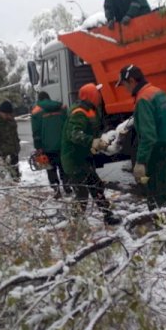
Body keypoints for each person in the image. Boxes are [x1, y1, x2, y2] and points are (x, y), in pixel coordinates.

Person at [115, 64, 166, 233]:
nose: (124, 89)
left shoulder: (143, 99)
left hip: (158, 154)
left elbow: (148, 135)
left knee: (156, 196)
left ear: (131, 80)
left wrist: (140, 161)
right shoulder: (158, 92)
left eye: (124, 84)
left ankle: (164, 235)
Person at [61, 83, 120, 225]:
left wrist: (102, 141)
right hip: (73, 159)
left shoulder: (92, 110)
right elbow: (74, 134)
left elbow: (95, 130)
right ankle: (76, 221)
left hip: (84, 157)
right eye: (97, 93)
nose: (99, 96)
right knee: (82, 193)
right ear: (91, 96)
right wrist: (91, 141)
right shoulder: (79, 112)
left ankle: (107, 215)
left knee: (96, 185)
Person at [32, 91, 71, 199]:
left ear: (39, 100)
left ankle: (56, 189)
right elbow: (68, 124)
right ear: (49, 98)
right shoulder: (61, 107)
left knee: (50, 168)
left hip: (47, 147)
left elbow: (36, 132)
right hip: (62, 144)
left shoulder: (36, 112)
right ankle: (67, 185)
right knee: (63, 165)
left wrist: (38, 147)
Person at [0, 100, 21, 182]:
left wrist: (17, 147)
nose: (8, 116)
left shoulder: (11, 120)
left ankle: (16, 184)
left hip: (14, 153)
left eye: (10, 114)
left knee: (15, 177)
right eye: (6, 114)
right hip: (2, 155)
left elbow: (15, 135)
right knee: (2, 178)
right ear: (0, 112)